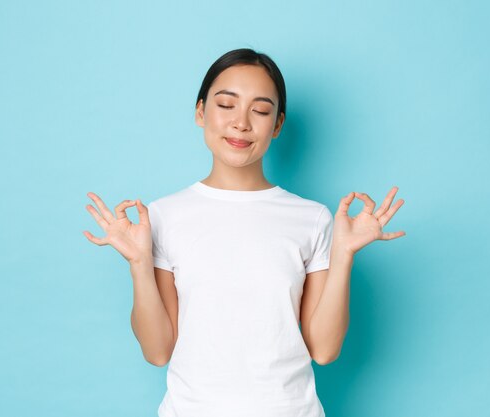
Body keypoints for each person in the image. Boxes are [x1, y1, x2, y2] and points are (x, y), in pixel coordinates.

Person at [83, 48, 405, 417]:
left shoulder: (311, 218)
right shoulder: (163, 215)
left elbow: (325, 350)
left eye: (261, 110)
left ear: (278, 125)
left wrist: (343, 253)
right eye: (226, 105)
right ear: (200, 112)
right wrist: (139, 263)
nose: (241, 123)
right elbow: (157, 352)